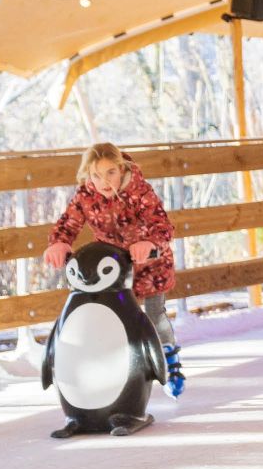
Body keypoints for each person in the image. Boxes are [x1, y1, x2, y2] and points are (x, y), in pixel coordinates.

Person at [43, 143, 184, 397]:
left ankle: (169, 360)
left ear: (121, 169)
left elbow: (162, 225)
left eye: (110, 173)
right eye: (96, 175)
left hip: (150, 265)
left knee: (153, 315)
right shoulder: (86, 195)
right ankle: (116, 370)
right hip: (114, 271)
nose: (104, 181)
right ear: (88, 175)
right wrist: (59, 243)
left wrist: (150, 243)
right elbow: (68, 223)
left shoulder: (139, 191)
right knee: (113, 318)